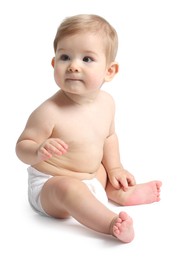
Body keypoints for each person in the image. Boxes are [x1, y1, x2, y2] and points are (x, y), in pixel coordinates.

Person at [16, 14, 162, 243]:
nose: (73, 66)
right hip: (50, 185)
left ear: (109, 71)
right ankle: (110, 223)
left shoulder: (107, 103)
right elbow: (21, 147)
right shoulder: (48, 112)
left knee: (103, 170)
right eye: (65, 57)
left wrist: (115, 169)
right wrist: (37, 151)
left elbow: (109, 137)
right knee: (69, 189)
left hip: (90, 174)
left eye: (87, 59)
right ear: (54, 63)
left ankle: (117, 191)